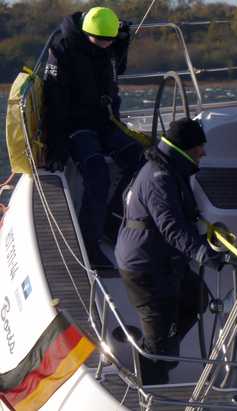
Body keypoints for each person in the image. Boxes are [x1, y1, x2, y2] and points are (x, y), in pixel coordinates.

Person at [115, 118, 225, 385]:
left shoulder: (169, 169)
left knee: (197, 300)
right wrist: (204, 254)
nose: (204, 152)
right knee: (160, 352)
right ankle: (151, 385)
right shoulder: (159, 178)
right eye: (199, 147)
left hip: (166, 260)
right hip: (146, 268)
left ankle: (162, 341)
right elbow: (172, 227)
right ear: (184, 148)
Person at [43, 7, 143, 267]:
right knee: (97, 175)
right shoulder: (63, 48)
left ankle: (112, 218)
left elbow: (116, 70)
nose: (105, 45)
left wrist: (122, 44)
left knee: (141, 161)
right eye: (101, 41)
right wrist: (55, 146)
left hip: (106, 120)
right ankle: (89, 243)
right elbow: (53, 101)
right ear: (87, 33)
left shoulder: (111, 42)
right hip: (76, 125)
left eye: (109, 40)